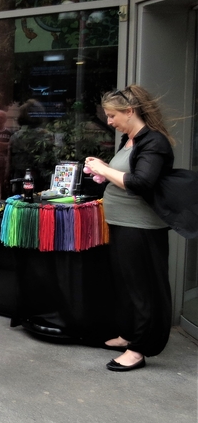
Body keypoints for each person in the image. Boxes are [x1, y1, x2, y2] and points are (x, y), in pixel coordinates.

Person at [84, 85, 175, 372]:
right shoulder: (129, 140)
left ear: (130, 111)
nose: (109, 122)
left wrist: (104, 169)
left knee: (142, 288)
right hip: (122, 224)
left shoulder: (154, 142)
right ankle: (128, 335)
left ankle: (139, 349)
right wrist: (105, 176)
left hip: (142, 228)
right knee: (125, 285)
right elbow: (124, 176)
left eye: (112, 116)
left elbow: (141, 183)